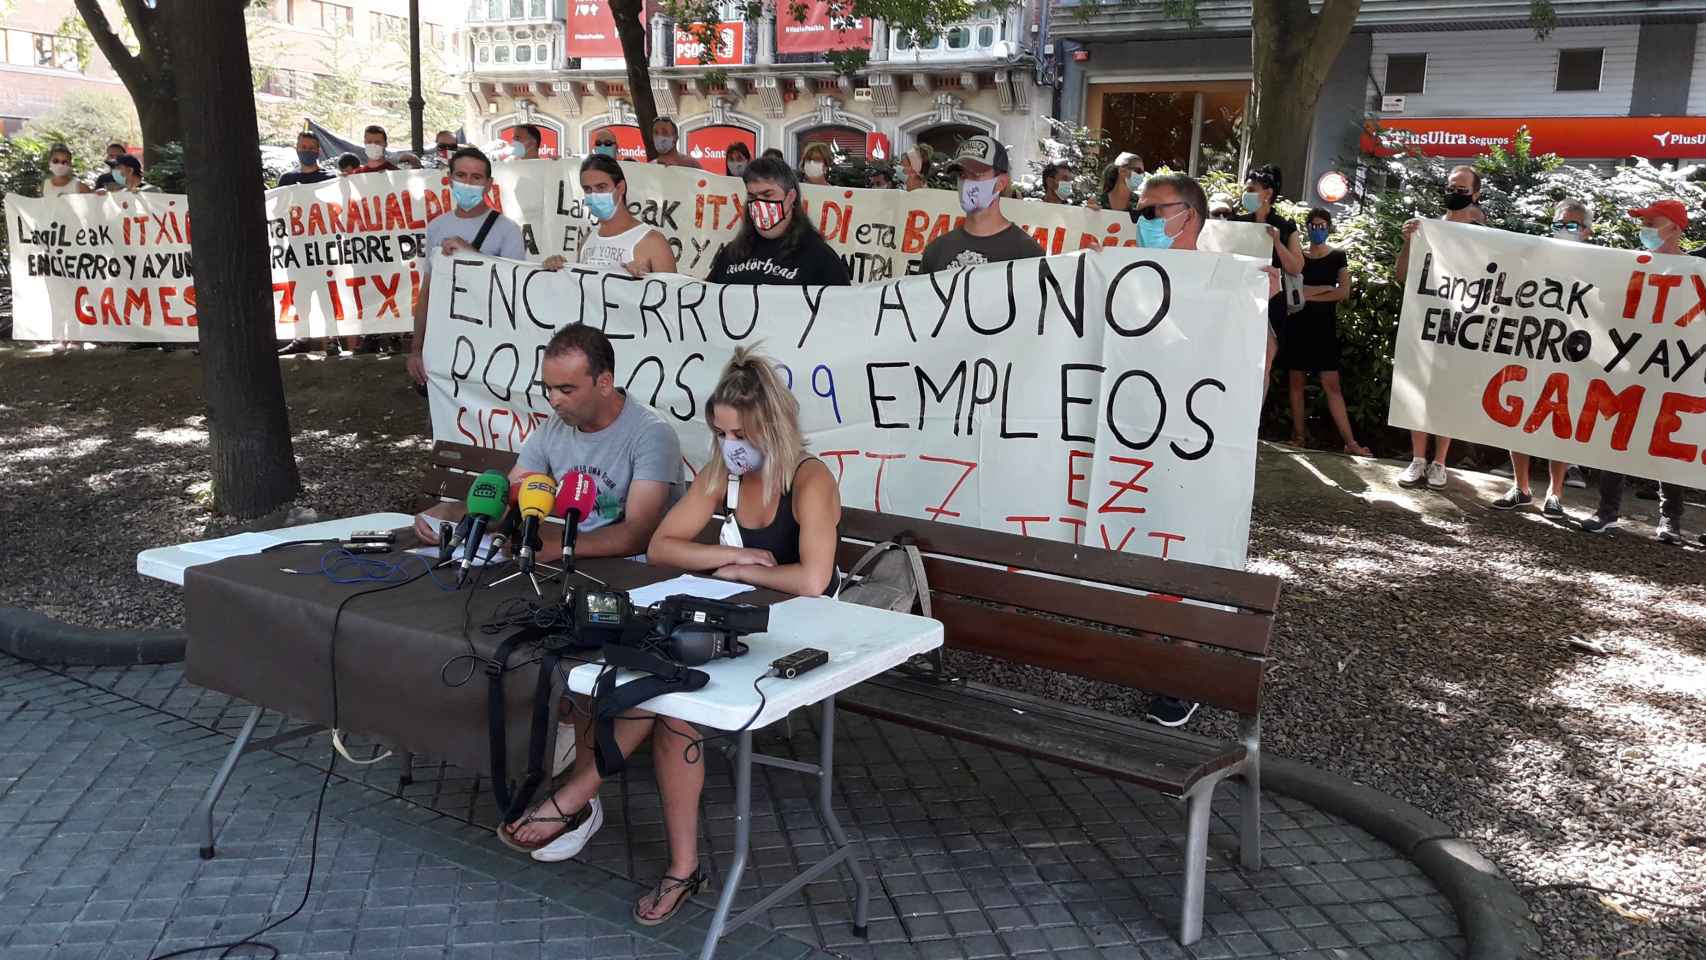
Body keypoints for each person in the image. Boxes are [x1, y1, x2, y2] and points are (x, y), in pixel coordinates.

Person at [502, 348, 836, 921]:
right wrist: (730, 555)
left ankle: (590, 803)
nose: (728, 442)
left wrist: (727, 569)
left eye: (739, 431)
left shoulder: (809, 478)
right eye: (720, 429)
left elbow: (811, 578)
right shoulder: (722, 471)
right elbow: (661, 547)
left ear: (770, 427)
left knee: (674, 706)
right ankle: (645, 843)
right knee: (628, 670)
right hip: (731, 619)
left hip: (795, 634)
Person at [1578, 199, 1693, 543]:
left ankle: (1671, 521)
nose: (1644, 229)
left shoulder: (1695, 271)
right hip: (1628, 365)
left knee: (1666, 443)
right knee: (1618, 437)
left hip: (1673, 367)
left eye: (1652, 222)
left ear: (1673, 227)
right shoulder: (1629, 265)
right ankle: (1607, 513)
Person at [1491, 199, 1592, 517]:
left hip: (1569, 353)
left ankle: (1555, 493)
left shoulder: (1600, 262)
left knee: (1559, 419)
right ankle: (1521, 488)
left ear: (1587, 231)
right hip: (1529, 344)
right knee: (1518, 412)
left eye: (1571, 225)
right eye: (1558, 224)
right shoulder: (1534, 254)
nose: (1563, 230)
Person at [406, 147, 529, 386]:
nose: (468, 182)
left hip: (492, 347)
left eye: (476, 177)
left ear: (488, 182)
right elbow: (427, 293)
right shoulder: (437, 227)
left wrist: (474, 256)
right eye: (461, 175)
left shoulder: (507, 230)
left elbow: (514, 290)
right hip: (445, 344)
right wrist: (416, 349)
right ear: (449, 179)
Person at [1394, 164, 1484, 490]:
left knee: (1449, 392)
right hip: (1424, 322)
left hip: (1460, 326)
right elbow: (1401, 275)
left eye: (1462, 189)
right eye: (1451, 187)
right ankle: (1418, 459)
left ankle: (1440, 462)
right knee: (1420, 390)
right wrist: (1408, 242)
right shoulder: (1425, 229)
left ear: (1475, 194)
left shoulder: (1483, 236)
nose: (1455, 194)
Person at [1281, 208, 1370, 456]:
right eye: (1313, 225)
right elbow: (1293, 292)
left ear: (1329, 227)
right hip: (1298, 326)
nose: (1317, 230)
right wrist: (1324, 288)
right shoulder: (1299, 257)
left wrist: (1310, 292)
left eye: (1322, 225)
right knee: (1296, 382)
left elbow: (1343, 292)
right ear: (1307, 227)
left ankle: (1350, 442)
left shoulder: (1338, 256)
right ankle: (1299, 437)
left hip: (1324, 329)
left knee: (1332, 385)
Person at [706, 158, 850, 286]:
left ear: (791, 197)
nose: (759, 203)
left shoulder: (819, 257)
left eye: (767, 195)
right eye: (752, 196)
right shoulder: (732, 253)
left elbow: (841, 310)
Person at [919, 136, 1044, 273]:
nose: (966, 183)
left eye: (975, 174)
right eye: (962, 175)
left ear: (1000, 183)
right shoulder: (936, 251)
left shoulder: (1027, 254)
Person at [540, 154, 676, 275]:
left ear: (620, 187)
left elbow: (672, 298)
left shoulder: (653, 242)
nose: (593, 195)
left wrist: (647, 279)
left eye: (601, 187)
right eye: (587, 189)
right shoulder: (587, 240)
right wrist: (561, 270)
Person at [1234, 164, 1298, 384]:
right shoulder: (1237, 222)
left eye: (1252, 189)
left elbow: (1296, 267)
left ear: (1268, 193)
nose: (1246, 194)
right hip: (1239, 300)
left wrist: (1278, 242)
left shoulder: (1286, 227)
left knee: (1264, 365)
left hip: (1271, 304)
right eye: (1246, 189)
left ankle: (1255, 417)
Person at [1094, 152, 1146, 217]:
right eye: (1138, 171)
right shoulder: (1099, 200)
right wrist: (1088, 212)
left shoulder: (1140, 203)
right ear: (1122, 170)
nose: (1141, 176)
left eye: (1143, 173)